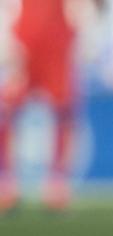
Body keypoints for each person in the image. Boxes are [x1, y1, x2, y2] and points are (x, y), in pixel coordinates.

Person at [0, 0, 99, 213]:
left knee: (63, 113)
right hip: (24, 39)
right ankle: (5, 181)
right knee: (7, 111)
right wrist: (8, 38)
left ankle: (57, 182)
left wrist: (83, 31)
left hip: (58, 43)